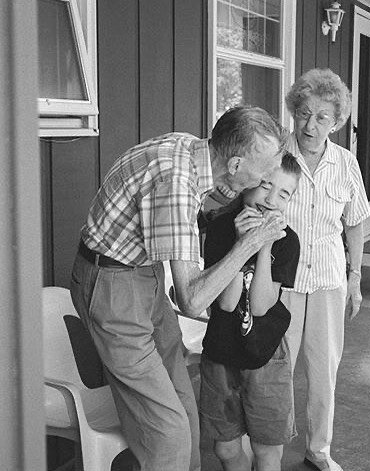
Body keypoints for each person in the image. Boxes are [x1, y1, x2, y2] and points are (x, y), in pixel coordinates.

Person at [69, 106, 286, 471]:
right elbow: (193, 298)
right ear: (234, 165)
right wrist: (251, 243)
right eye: (262, 175)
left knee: (186, 409)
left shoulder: (193, 149)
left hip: (142, 274)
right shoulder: (176, 185)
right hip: (112, 290)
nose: (262, 183)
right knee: (167, 433)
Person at [281, 68, 370, 471]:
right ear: (293, 112)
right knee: (276, 370)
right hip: (280, 281)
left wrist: (355, 280)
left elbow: (355, 223)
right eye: (304, 113)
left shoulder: (346, 163)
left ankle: (319, 450)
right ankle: (273, 448)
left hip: (328, 279)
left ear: (336, 122)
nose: (310, 124)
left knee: (323, 372)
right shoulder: (277, 156)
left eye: (321, 117)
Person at [199, 152, 302, 471]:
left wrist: (265, 243)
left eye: (283, 193)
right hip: (220, 355)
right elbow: (227, 303)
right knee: (226, 448)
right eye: (266, 185)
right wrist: (241, 243)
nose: (272, 200)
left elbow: (259, 306)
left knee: (266, 451)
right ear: (248, 183)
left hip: (266, 357)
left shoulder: (287, 243)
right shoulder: (219, 231)